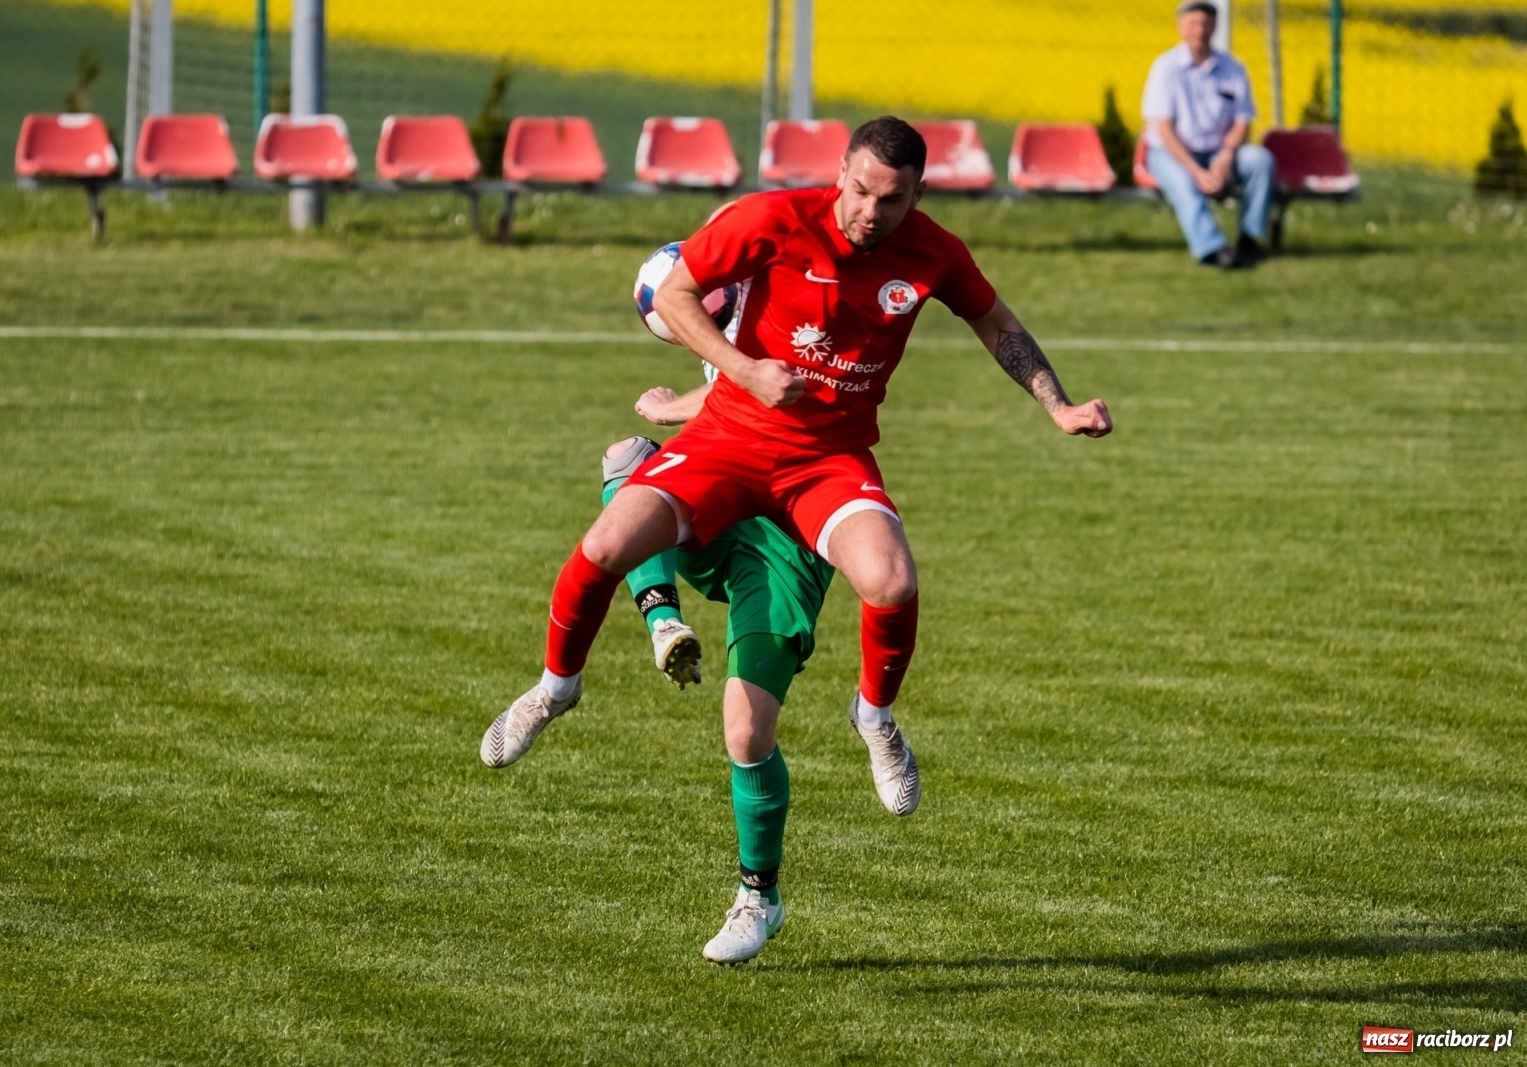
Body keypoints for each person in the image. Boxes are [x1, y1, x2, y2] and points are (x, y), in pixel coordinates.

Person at [481, 116, 1112, 871]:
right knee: (607, 542)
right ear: (840, 170)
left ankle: (874, 715)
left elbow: (997, 324)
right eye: (861, 190)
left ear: (918, 194)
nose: (870, 212)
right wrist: (742, 370)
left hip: (827, 457)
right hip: (729, 439)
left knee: (892, 579)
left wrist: (1059, 405)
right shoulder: (772, 219)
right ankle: (556, 687)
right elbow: (676, 294)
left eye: (893, 200)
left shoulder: (935, 252)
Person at [601, 377, 837, 964]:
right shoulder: (727, 300)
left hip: (786, 536)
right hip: (723, 497)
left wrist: (671, 407)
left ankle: (760, 895)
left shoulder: (799, 307)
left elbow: (767, 386)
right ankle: (661, 619)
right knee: (628, 461)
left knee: (747, 733)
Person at [1142, 0, 1276, 269]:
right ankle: (1212, 248)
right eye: (1193, 23)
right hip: (1172, 153)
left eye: (1205, 23)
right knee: (1183, 183)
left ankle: (1250, 238)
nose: (1199, 30)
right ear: (1180, 27)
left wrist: (1225, 156)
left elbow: (1242, 122)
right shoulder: (1165, 68)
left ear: (1215, 26)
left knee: (1261, 162)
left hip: (1218, 150)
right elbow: (1164, 130)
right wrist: (1197, 172)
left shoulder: (1233, 68)